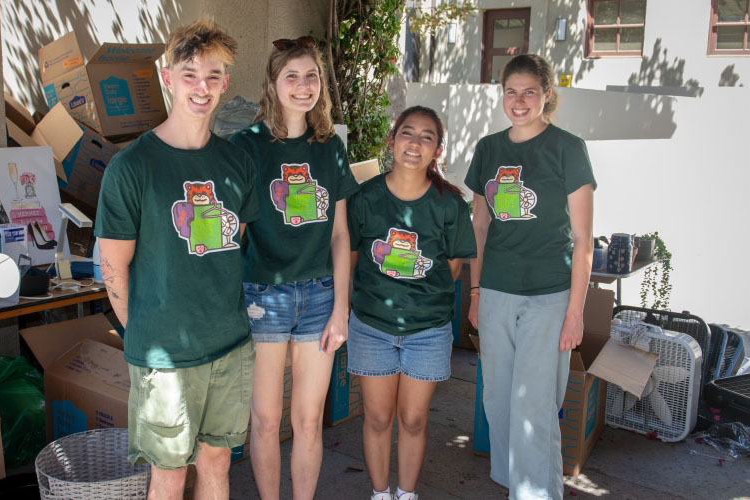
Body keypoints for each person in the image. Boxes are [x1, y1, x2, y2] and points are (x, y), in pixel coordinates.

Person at [94, 18, 258, 500]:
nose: (201, 87)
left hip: (229, 345)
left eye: (213, 75)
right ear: (168, 78)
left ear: (225, 83)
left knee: (216, 465)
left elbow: (232, 248)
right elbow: (112, 269)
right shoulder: (131, 167)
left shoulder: (237, 163)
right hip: (163, 356)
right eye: (189, 74)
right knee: (167, 475)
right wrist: (145, 337)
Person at [228, 35, 359, 500]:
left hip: (320, 295)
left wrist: (341, 309)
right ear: (273, 82)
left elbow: (340, 234)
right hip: (263, 294)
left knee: (307, 421)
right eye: (292, 76)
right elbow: (234, 230)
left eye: (311, 76)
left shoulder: (330, 148)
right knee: (264, 421)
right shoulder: (246, 146)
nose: (303, 86)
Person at [465, 54, 595, 500]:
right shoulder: (487, 149)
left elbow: (583, 240)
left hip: (549, 296)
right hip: (497, 290)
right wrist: (476, 291)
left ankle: (537, 494)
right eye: (511, 91)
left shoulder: (568, 148)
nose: (519, 101)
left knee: (533, 407)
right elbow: (479, 227)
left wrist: (575, 312)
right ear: (501, 94)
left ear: (546, 95)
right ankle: (513, 485)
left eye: (529, 92)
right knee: (498, 403)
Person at [347, 105, 476, 500]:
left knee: (415, 419)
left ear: (437, 149)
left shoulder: (450, 204)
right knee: (378, 417)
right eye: (407, 132)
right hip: (372, 326)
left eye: (427, 137)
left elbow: (454, 266)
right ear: (392, 139)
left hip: (428, 329)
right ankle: (380, 493)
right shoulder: (365, 197)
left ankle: (407, 494)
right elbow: (350, 260)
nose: (415, 143)